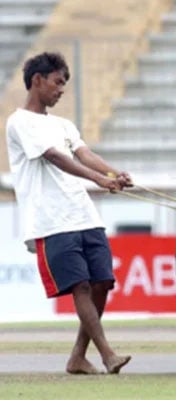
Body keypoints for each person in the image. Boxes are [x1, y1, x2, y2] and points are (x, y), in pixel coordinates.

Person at [5, 52, 132, 374]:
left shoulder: (62, 124)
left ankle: (78, 356)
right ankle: (107, 354)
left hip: (83, 214)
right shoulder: (19, 122)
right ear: (37, 80)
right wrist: (100, 180)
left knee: (102, 282)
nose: (61, 89)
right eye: (57, 82)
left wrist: (115, 173)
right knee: (81, 287)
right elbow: (55, 157)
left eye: (64, 83)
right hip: (51, 219)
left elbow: (83, 153)